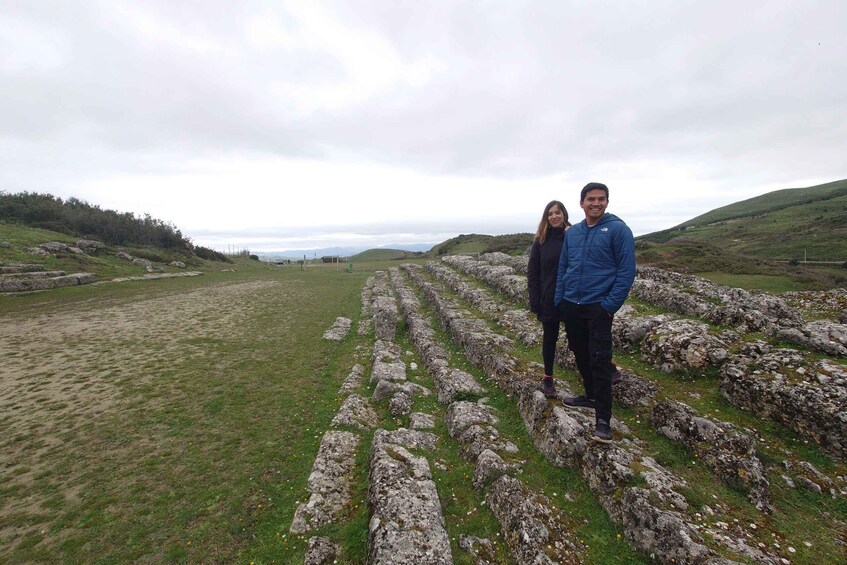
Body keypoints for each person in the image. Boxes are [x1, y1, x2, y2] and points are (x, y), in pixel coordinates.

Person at [554, 182, 636, 443]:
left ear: (607, 202)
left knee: (600, 359)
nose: (596, 203)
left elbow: (626, 272)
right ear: (581, 203)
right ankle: (589, 396)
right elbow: (564, 267)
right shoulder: (573, 233)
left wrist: (608, 306)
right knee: (579, 352)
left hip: (598, 306)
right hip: (571, 304)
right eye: (591, 199)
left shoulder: (618, 230)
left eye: (601, 199)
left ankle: (603, 419)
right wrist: (560, 300)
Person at [528, 200, 570, 398]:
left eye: (558, 212)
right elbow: (533, 272)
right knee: (550, 338)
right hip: (549, 297)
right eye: (550, 213)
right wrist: (535, 301)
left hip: (572, 297)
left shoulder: (574, 236)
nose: (554, 216)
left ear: (564, 214)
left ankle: (600, 373)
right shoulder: (540, 241)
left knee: (581, 338)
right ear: (546, 217)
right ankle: (548, 377)